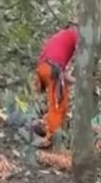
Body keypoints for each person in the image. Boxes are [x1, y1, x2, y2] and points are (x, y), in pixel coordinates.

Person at [34, 19, 79, 148]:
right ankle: (51, 137)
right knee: (57, 105)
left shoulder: (61, 38)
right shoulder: (73, 34)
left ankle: (46, 125)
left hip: (46, 68)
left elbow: (63, 73)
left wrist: (78, 81)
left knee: (62, 101)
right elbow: (82, 50)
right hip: (51, 69)